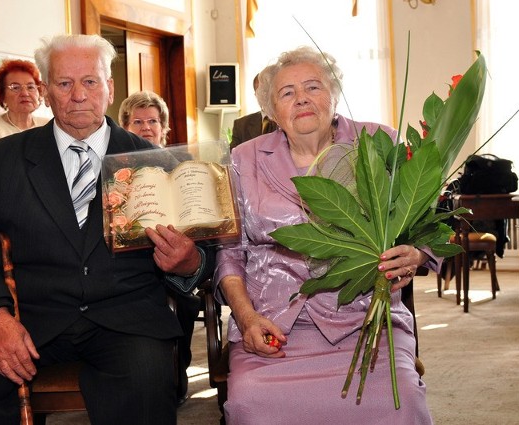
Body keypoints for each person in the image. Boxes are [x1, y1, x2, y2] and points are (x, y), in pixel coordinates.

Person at [0, 34, 213, 425]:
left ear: (110, 88)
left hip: (126, 319)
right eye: (65, 83)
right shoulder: (5, 159)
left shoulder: (157, 162)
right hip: (29, 317)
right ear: (46, 91)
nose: (78, 94)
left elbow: (204, 255)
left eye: (90, 81)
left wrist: (188, 262)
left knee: (147, 380)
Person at [213, 46, 439, 424]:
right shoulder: (243, 159)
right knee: (250, 401)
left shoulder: (378, 142)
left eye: (313, 87)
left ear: (334, 94)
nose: (301, 98)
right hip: (274, 323)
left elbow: (426, 216)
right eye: (287, 92)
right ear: (270, 111)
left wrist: (416, 253)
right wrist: (247, 317)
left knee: (402, 403)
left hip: (366, 317)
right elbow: (229, 251)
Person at [119, 89, 198, 406]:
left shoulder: (183, 163)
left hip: (172, 258)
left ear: (164, 128)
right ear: (125, 127)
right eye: (137, 121)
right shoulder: (115, 167)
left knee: (184, 301)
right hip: (127, 262)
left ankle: (175, 375)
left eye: (153, 120)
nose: (146, 127)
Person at [229, 74, 277, 150]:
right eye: (260, 92)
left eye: (267, 90)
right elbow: (232, 158)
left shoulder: (288, 120)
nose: (265, 95)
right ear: (255, 95)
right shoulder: (241, 125)